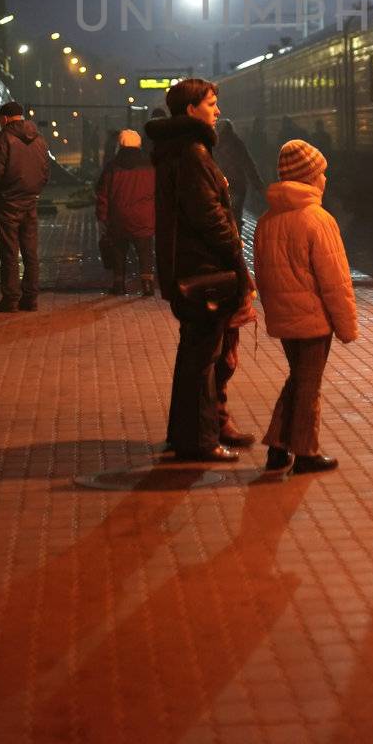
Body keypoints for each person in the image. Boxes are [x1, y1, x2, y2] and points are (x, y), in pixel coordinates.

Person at [146, 79, 256, 463]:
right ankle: (201, 441)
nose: (217, 110)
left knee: (194, 357)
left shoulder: (177, 149)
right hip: (202, 267)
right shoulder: (193, 153)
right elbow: (209, 216)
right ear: (192, 109)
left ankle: (187, 435)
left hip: (188, 266)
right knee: (202, 359)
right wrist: (235, 251)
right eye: (211, 103)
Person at [252, 139, 357, 475]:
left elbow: (264, 276)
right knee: (308, 384)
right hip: (314, 319)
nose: (326, 179)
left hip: (285, 317)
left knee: (299, 378)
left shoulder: (267, 220)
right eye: (322, 173)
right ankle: (305, 454)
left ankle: (278, 448)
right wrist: (347, 326)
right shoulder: (318, 220)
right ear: (310, 177)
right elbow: (335, 281)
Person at [0, 101, 50, 312]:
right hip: (30, 201)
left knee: (9, 252)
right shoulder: (39, 139)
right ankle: (30, 298)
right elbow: (45, 170)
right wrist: (34, 190)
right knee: (30, 252)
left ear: (5, 118)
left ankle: (10, 299)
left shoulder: (2, 139)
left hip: (7, 203)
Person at [95, 129, 156, 297]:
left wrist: (102, 216)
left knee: (119, 252)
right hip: (144, 217)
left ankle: (119, 285)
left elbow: (102, 194)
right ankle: (147, 285)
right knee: (145, 252)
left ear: (120, 144)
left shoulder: (112, 166)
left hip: (119, 217)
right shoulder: (150, 165)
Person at [215, 116, 265, 232]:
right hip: (238, 184)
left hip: (223, 185)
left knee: (224, 212)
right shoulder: (237, 143)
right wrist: (257, 184)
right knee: (236, 212)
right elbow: (248, 164)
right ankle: (236, 234)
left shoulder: (216, 146)